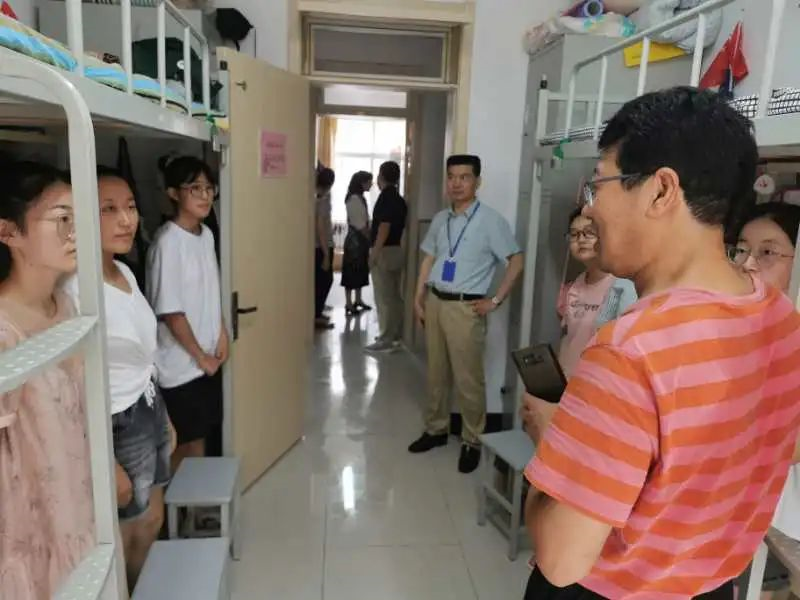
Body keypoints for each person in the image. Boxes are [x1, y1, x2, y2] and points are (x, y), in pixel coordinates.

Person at [520, 87, 800, 600]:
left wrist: (551, 442)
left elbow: (561, 560)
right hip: (712, 587)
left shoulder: (631, 350)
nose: (591, 209)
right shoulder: (782, 319)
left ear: (660, 190)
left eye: (599, 184)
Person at [64, 167, 176, 589]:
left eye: (130, 206)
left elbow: (143, 356)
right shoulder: (74, 289)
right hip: (115, 422)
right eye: (108, 209)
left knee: (152, 518)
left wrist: (162, 416)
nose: (126, 220)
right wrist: (106, 462)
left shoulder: (123, 272)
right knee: (127, 529)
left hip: (146, 404)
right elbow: (71, 389)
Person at [0, 162, 94, 597]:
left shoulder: (68, 307)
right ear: (8, 232)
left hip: (77, 500)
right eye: (61, 219)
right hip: (27, 521)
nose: (76, 232)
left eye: (78, 218)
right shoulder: (4, 331)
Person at [409, 154, 524, 474]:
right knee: (435, 373)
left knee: (468, 379)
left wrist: (495, 300)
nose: (456, 183)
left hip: (465, 308)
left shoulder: (490, 221)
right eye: (451, 177)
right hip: (435, 302)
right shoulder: (440, 219)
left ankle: (473, 440)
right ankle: (436, 429)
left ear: (477, 181)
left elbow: (516, 260)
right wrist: (418, 296)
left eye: (464, 177)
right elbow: (429, 259)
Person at [730, 202, 800, 599]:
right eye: (740, 249)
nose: (747, 264)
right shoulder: (745, 328)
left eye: (768, 252)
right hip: (761, 515)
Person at [146, 156, 228, 473]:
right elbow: (172, 312)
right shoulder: (168, 242)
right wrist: (200, 356)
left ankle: (195, 500)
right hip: (181, 366)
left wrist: (221, 332)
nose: (205, 196)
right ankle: (164, 498)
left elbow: (210, 292)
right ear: (173, 193)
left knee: (203, 437)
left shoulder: (205, 235)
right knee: (186, 444)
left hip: (207, 360)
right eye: (195, 188)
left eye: (209, 188)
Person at [557, 207, 637, 378]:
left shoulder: (623, 286)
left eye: (589, 233)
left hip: (598, 381)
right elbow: (569, 337)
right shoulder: (575, 286)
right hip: (569, 380)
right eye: (574, 234)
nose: (581, 240)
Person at [366, 161, 408, 352]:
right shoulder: (399, 200)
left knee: (383, 297)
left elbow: (384, 227)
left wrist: (374, 254)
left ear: (381, 176)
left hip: (383, 251)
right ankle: (395, 334)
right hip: (397, 249)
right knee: (395, 296)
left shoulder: (385, 198)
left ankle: (385, 338)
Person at [341, 171, 373, 316]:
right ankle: (349, 303)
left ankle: (358, 300)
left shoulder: (359, 197)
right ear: (362, 183)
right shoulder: (354, 199)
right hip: (356, 241)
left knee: (360, 271)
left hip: (360, 240)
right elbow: (360, 224)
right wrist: (370, 239)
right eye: (369, 182)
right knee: (351, 272)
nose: (371, 184)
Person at [314, 167, 336, 331]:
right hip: (323, 246)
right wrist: (326, 255)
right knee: (325, 281)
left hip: (317, 246)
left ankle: (317, 312)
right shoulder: (323, 200)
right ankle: (316, 315)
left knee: (320, 281)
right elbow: (320, 227)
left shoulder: (315, 196)